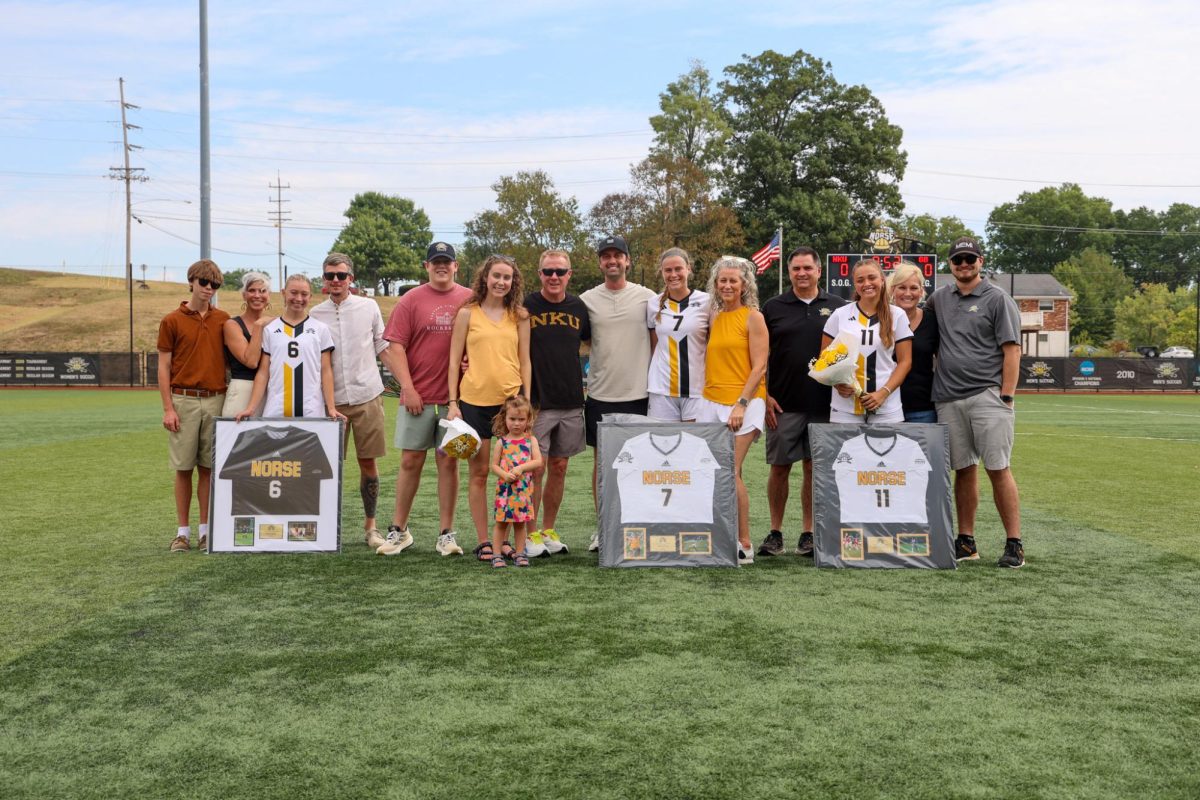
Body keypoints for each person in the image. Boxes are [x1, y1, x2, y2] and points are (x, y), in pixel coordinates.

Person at [925, 237, 1024, 568]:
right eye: (957, 260)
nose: (964, 264)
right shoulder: (939, 298)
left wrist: (1006, 394)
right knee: (963, 469)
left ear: (980, 261)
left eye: (970, 258)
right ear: (950, 265)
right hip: (948, 397)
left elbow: (1012, 349)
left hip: (987, 394)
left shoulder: (998, 299)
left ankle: (1014, 542)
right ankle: (966, 541)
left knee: (998, 467)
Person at [380, 241, 473, 556]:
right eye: (436, 262)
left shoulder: (469, 299)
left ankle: (446, 534)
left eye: (447, 261)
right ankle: (399, 530)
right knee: (410, 461)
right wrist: (408, 387)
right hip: (418, 397)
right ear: (426, 266)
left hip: (455, 401)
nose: (442, 266)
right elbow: (395, 347)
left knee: (448, 463)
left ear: (456, 266)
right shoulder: (411, 300)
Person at [310, 253, 405, 547]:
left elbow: (383, 347)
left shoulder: (369, 307)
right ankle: (324, 527)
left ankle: (371, 527)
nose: (335, 281)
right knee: (325, 467)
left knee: (368, 463)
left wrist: (407, 384)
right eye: (330, 276)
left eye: (341, 275)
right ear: (324, 280)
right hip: (329, 402)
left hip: (366, 396)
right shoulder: (314, 314)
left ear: (351, 278)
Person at [758, 247, 846, 558]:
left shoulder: (837, 307)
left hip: (825, 403)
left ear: (819, 271)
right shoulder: (773, 307)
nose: (801, 273)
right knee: (779, 468)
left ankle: (808, 533)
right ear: (790, 272)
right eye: (796, 268)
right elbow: (758, 355)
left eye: (807, 268)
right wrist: (763, 394)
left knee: (813, 469)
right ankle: (775, 532)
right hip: (782, 403)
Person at [447, 254, 532, 564]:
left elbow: (525, 361)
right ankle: (485, 541)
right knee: (480, 473)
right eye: (496, 275)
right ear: (485, 278)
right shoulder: (467, 314)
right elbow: (454, 360)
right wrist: (453, 402)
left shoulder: (520, 316)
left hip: (509, 405)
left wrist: (526, 402)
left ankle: (505, 541)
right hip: (474, 402)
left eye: (507, 277)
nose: (501, 282)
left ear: (514, 282)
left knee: (510, 475)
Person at [580, 234, 657, 550]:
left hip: (641, 393)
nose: (612, 261)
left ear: (627, 261)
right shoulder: (586, 300)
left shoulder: (648, 297)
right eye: (606, 256)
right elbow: (578, 341)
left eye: (618, 256)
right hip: (600, 395)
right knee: (603, 468)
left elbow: (660, 339)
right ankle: (604, 528)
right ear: (600, 262)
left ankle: (639, 526)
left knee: (642, 467)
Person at [698, 256, 768, 565]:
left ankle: (744, 543)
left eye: (733, 281)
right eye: (722, 281)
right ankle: (718, 535)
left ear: (744, 285)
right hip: (710, 402)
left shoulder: (753, 317)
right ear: (715, 285)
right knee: (712, 472)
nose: (727, 285)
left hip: (745, 403)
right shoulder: (714, 316)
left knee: (730, 470)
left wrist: (741, 403)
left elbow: (760, 366)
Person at [158, 259, 231, 552]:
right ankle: (182, 533)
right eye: (204, 283)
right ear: (191, 282)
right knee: (183, 468)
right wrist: (168, 408)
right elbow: (163, 367)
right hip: (183, 399)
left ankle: (205, 532)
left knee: (208, 469)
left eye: (214, 285)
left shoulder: (223, 319)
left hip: (216, 399)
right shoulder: (171, 321)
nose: (208, 289)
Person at [523, 249, 590, 557]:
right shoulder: (525, 305)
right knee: (534, 470)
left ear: (569, 275)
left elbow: (589, 342)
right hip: (537, 402)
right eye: (548, 271)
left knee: (559, 467)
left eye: (559, 272)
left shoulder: (579, 307)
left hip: (571, 400)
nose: (554, 277)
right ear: (539, 274)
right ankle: (529, 533)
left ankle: (548, 529)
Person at [236, 273, 343, 423]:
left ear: (310, 296)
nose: (298, 298)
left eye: (304, 294)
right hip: (276, 411)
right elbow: (263, 372)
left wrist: (331, 408)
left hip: (311, 411)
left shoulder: (320, 329)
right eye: (293, 292)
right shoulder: (270, 329)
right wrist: (251, 408)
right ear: (283, 293)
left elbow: (326, 371)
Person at [820, 257, 912, 423]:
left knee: (885, 450)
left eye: (872, 278)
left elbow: (905, 361)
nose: (867, 283)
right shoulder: (840, 315)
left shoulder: (897, 315)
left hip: (886, 406)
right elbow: (824, 359)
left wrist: (883, 393)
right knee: (847, 450)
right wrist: (836, 383)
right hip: (845, 406)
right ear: (855, 284)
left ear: (882, 280)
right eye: (860, 280)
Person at [646, 247, 709, 422]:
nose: (673, 274)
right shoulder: (653, 304)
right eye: (668, 270)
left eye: (678, 269)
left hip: (697, 389)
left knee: (695, 445)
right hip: (661, 389)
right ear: (662, 272)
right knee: (663, 445)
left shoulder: (707, 301)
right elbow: (654, 346)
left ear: (688, 268)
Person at [488, 395, 543, 568]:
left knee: (520, 524)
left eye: (521, 419)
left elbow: (538, 461)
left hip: (523, 490)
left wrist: (521, 468)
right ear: (505, 418)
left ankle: (520, 553)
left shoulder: (530, 440)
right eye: (512, 419)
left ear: (528, 420)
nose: (516, 423)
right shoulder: (502, 442)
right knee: (501, 523)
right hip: (505, 491)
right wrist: (504, 475)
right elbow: (494, 466)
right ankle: (496, 555)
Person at [887, 261, 939, 423]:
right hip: (884, 407)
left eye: (914, 288)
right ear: (892, 290)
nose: (908, 293)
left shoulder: (932, 321)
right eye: (902, 287)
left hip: (922, 408)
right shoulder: (879, 320)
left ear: (922, 291)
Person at [221, 271, 273, 418]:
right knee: (236, 439)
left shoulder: (275, 324)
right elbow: (251, 361)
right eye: (252, 290)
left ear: (268, 296)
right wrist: (259, 326)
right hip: (243, 390)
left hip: (270, 391)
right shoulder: (232, 325)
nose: (257, 295)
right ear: (244, 295)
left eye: (262, 291)